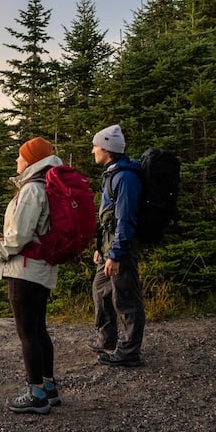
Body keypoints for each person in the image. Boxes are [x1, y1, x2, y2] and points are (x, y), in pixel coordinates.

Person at [0, 137, 63, 414]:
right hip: (40, 268)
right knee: (38, 328)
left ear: (30, 160)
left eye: (20, 157)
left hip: (24, 271)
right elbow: (31, 232)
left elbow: (19, 237)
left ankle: (36, 394)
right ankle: (49, 387)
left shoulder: (32, 190)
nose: (17, 161)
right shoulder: (46, 186)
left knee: (27, 331)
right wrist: (3, 241)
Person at [90, 124, 145, 366]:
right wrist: (100, 248)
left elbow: (126, 219)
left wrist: (116, 254)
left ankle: (130, 352)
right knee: (100, 292)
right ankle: (107, 340)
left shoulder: (125, 177)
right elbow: (107, 219)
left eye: (96, 146)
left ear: (107, 149)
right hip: (107, 250)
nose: (93, 150)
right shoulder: (112, 174)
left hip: (119, 251)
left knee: (126, 300)